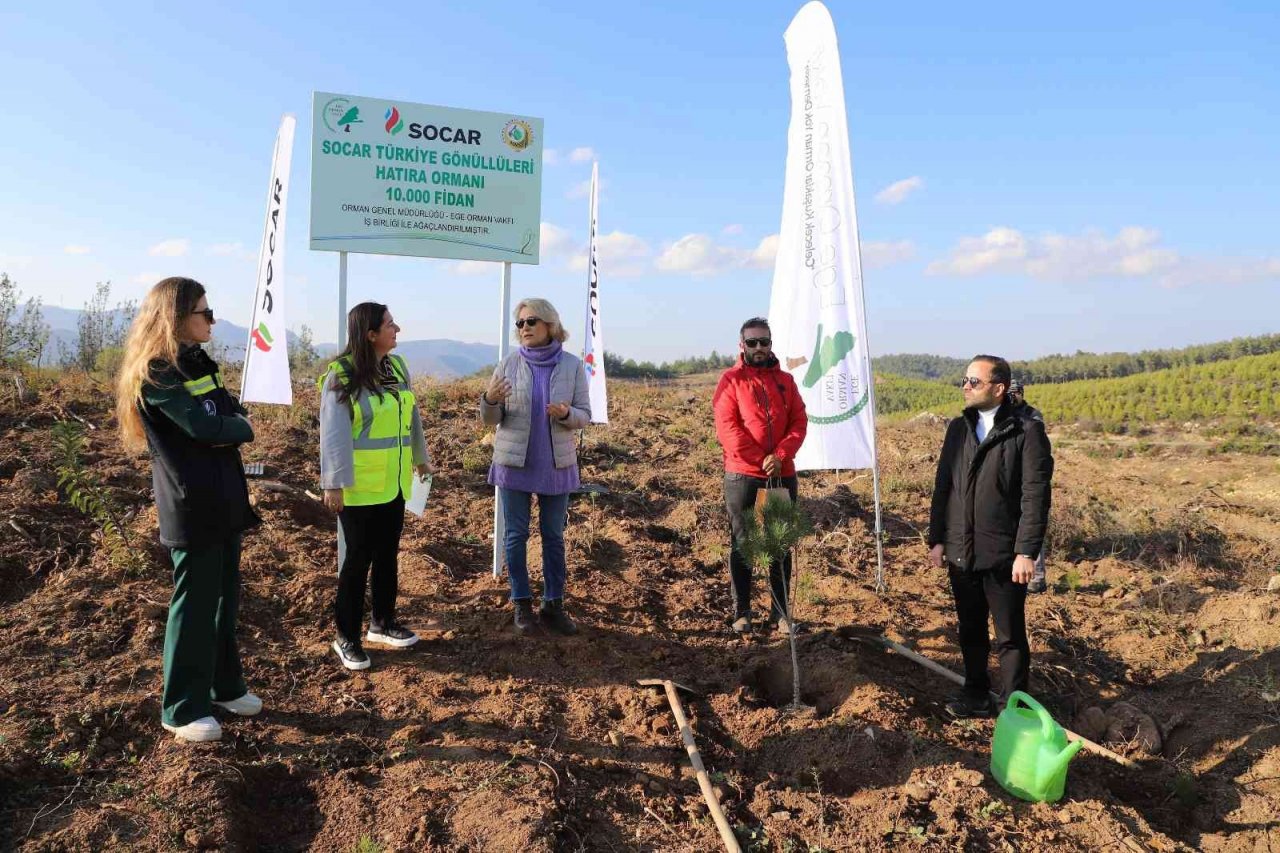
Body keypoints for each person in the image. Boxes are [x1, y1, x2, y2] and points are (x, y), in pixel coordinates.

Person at [115, 277, 261, 743]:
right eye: (205, 312)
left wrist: (228, 424)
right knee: (195, 603)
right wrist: (234, 428)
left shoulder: (196, 362)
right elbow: (204, 426)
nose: (213, 320)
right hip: (192, 503)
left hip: (225, 497)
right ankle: (181, 708)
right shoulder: (158, 373)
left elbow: (226, 412)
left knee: (223, 599)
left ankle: (224, 687)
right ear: (176, 317)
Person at [928, 356, 1053, 718]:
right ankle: (975, 694)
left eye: (974, 381)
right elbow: (943, 486)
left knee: (1009, 635)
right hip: (961, 549)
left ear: (999, 388)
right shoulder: (958, 429)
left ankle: (1015, 707)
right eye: (965, 380)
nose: (966, 387)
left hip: (1004, 555)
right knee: (970, 628)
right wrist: (937, 539)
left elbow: (1035, 496)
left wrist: (1026, 552)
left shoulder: (1025, 431)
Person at [320, 303, 433, 670]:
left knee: (387, 555)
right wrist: (334, 483)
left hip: (394, 484)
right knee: (356, 562)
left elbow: (411, 416)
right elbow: (333, 433)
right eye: (389, 325)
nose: (396, 329)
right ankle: (346, 637)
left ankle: (382, 623)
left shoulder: (396, 368)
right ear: (370, 335)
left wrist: (421, 458)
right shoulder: (341, 375)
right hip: (358, 488)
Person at [481, 297, 591, 636]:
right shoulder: (507, 365)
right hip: (514, 465)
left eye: (531, 321)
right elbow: (490, 419)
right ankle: (522, 603)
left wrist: (567, 414)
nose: (524, 328)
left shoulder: (572, 366)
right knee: (515, 535)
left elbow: (584, 415)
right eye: (520, 323)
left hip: (556, 466)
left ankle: (553, 605)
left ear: (550, 325)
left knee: (553, 536)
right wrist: (490, 400)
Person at [713, 317, 808, 636]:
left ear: (770, 344)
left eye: (763, 342)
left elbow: (799, 421)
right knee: (743, 543)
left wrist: (780, 456)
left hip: (782, 475)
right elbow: (728, 428)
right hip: (743, 475)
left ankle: (779, 614)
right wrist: (761, 459)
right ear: (742, 345)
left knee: (779, 544)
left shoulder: (786, 381)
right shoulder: (730, 381)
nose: (758, 348)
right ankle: (742, 612)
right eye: (752, 342)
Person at [1008, 380, 1048, 593]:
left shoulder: (1032, 415)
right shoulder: (1002, 414)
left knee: (1031, 527)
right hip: (1009, 481)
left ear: (1022, 393)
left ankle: (1037, 578)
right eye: (1010, 393)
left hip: (1028, 479)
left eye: (1015, 393)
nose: (1012, 396)